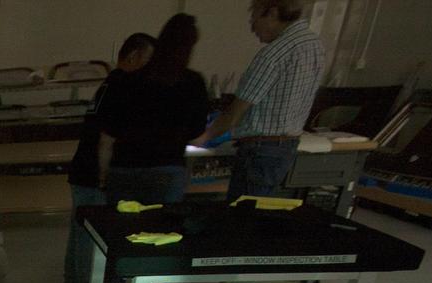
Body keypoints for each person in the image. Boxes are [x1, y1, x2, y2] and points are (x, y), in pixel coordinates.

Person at [192, 0, 325, 199]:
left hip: (262, 151)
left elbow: (239, 109)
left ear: (271, 13)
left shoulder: (275, 53)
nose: (252, 26)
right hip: (285, 148)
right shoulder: (314, 45)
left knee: (243, 214)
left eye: (254, 16)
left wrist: (205, 136)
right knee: (259, 212)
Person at [62, 32, 155, 283]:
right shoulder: (122, 86)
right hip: (93, 170)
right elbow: (106, 139)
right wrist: (104, 176)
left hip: (83, 168)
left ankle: (73, 280)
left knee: (80, 228)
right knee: (90, 232)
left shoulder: (108, 84)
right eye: (148, 59)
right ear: (134, 56)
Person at [95, 14, 209, 207]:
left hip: (124, 169)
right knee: (161, 231)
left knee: (120, 232)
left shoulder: (126, 81)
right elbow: (196, 135)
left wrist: (103, 176)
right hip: (167, 168)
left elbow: (107, 139)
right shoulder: (193, 82)